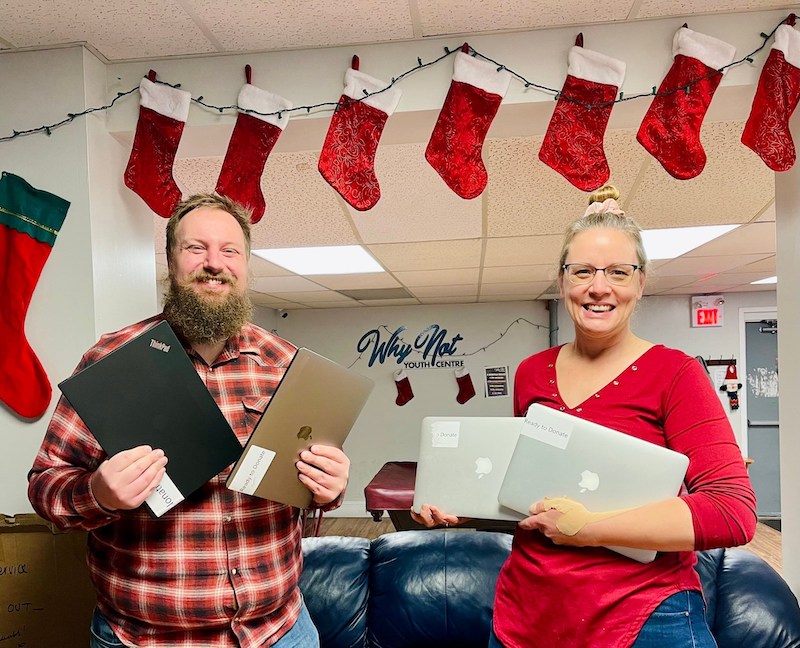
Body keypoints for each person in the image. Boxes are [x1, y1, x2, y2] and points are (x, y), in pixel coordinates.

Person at [412, 185, 757, 648]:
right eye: (583, 271)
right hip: (525, 617)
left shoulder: (677, 374)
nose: (599, 287)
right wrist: (461, 506)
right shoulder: (532, 373)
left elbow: (732, 512)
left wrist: (587, 530)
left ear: (640, 281)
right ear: (561, 281)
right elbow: (529, 498)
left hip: (643, 617)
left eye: (618, 271)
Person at [28, 193, 350, 648]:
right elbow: (45, 487)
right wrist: (97, 492)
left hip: (278, 632)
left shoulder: (286, 364)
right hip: (145, 638)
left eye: (229, 251)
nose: (213, 263)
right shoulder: (112, 360)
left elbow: (310, 486)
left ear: (246, 265)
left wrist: (331, 486)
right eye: (195, 248)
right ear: (171, 262)